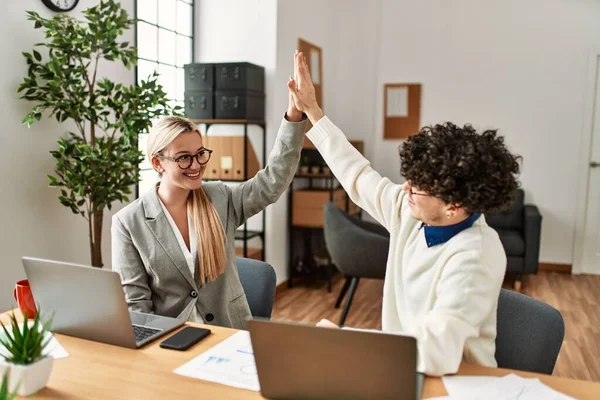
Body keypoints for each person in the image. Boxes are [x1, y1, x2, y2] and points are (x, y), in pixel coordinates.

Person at [287, 51, 521, 376]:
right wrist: (313, 110)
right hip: (398, 367)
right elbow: (357, 174)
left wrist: (344, 340)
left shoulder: (476, 254)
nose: (405, 189)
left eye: (417, 188)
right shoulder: (410, 211)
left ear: (455, 204)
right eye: (408, 179)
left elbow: (436, 351)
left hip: (457, 384)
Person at [111, 85, 306, 329]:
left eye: (200, 153)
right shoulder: (128, 222)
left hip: (230, 332)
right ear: (157, 163)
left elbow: (271, 182)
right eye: (183, 157)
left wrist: (294, 116)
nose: (196, 165)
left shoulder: (220, 198)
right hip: (170, 340)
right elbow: (136, 305)